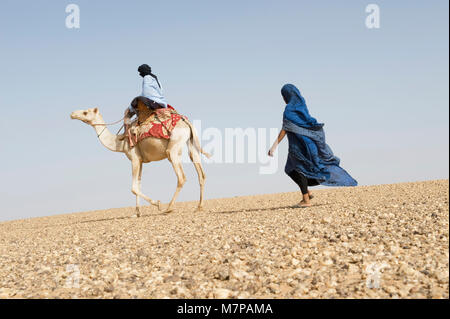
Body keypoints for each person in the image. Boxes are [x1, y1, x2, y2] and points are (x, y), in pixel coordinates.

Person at [268, 84, 357, 207]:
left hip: (299, 146)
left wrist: (274, 146)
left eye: (283, 96)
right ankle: (307, 193)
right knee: (290, 169)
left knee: (299, 169)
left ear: (287, 96)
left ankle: (306, 200)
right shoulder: (302, 106)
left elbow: (285, 128)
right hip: (309, 143)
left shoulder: (289, 110)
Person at [124, 64, 168, 146]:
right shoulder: (155, 78)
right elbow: (160, 91)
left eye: (140, 72)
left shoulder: (146, 78)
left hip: (153, 102)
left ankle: (126, 134)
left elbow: (146, 93)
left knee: (127, 111)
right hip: (161, 102)